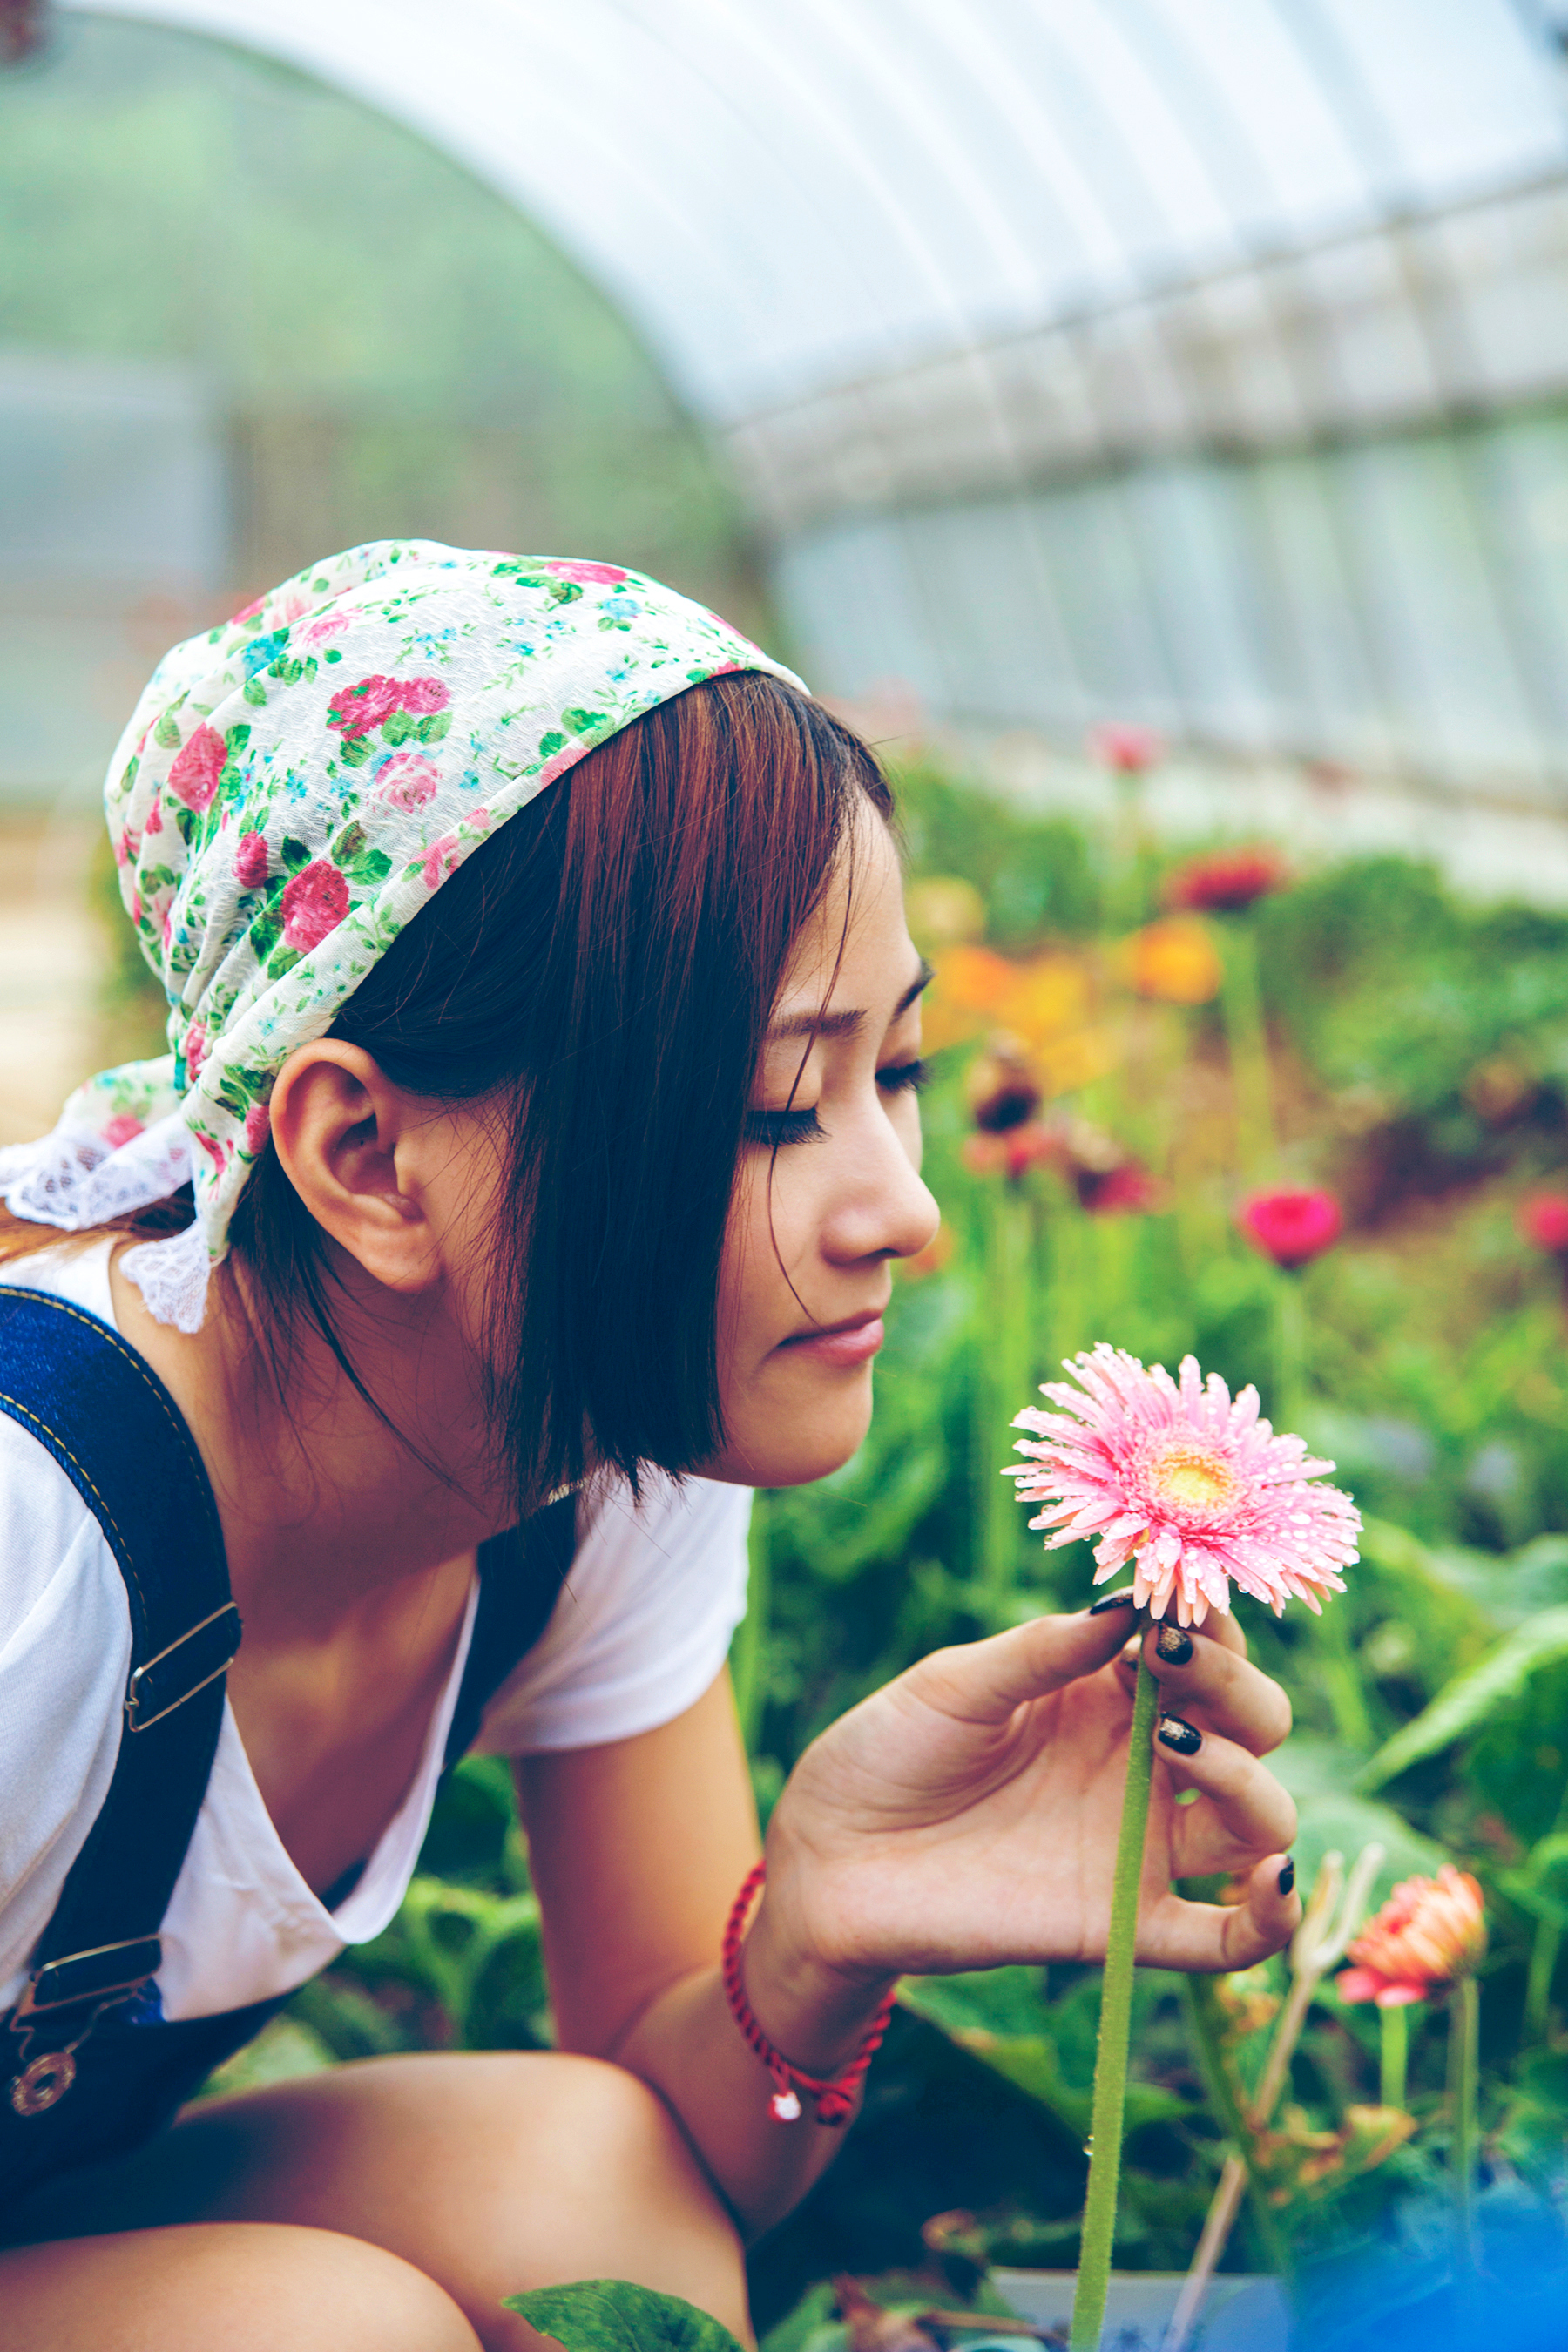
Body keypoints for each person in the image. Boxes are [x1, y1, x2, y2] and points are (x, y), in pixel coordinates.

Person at [0, 544, 1300, 2352]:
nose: (904, 1210)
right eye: (777, 1107)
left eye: (896, 1072)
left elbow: (692, 2149)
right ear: (368, 1157)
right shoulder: (30, 1564)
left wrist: (822, 1934)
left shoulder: (591, 1460)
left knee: (586, 2205)